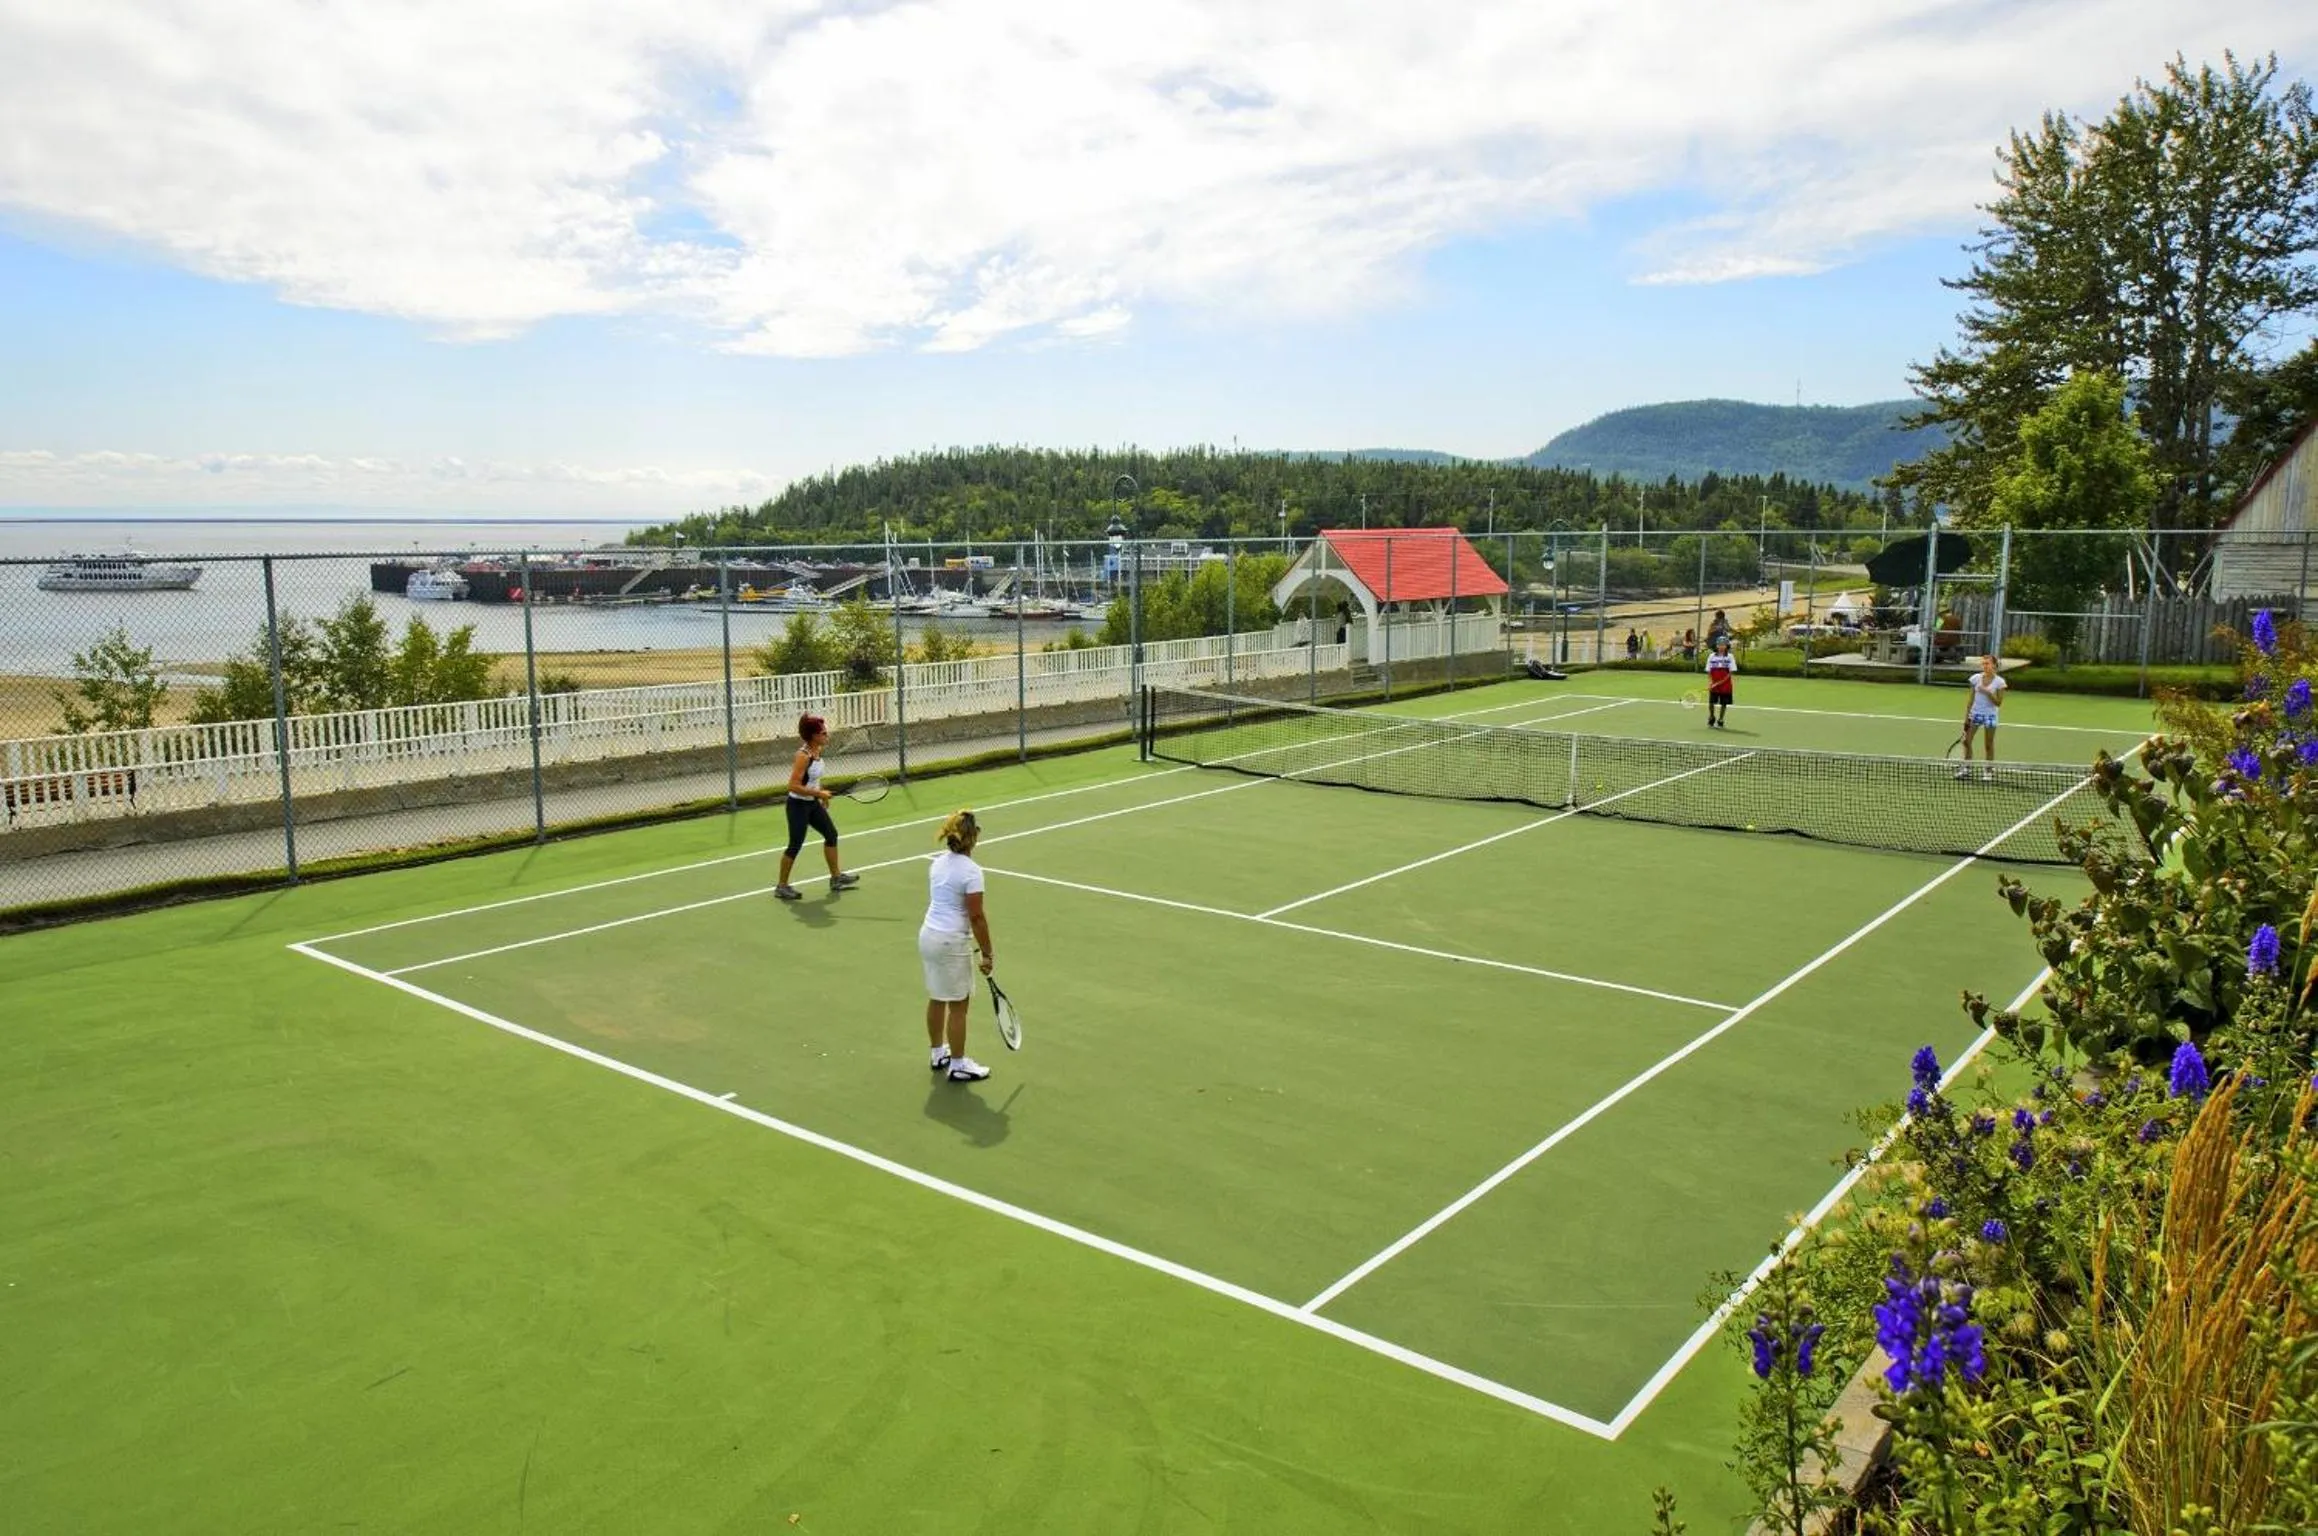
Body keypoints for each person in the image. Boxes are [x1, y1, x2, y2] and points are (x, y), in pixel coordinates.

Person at [921, 809, 996, 1081]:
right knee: (959, 1005)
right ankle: (958, 1064)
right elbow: (976, 917)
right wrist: (988, 953)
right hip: (950, 942)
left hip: (929, 936)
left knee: (938, 996)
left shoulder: (937, 863)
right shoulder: (972, 872)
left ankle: (937, 1052)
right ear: (972, 837)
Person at [774, 713, 859, 900]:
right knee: (795, 844)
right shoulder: (803, 756)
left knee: (831, 834)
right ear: (813, 736)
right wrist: (818, 794)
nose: (827, 735)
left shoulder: (817, 751)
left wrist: (820, 795)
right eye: (823, 733)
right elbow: (793, 785)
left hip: (812, 804)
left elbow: (813, 779)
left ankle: (836, 878)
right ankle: (781, 886)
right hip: (797, 806)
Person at [1958, 655, 2006, 781]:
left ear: (1994, 665)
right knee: (1966, 741)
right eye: (1983, 664)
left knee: (1988, 744)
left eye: (1988, 663)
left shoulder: (2000, 682)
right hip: (1975, 714)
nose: (1985, 666)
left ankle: (1988, 771)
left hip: (1990, 716)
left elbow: (1998, 703)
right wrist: (1966, 716)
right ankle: (1967, 768)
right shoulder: (1975, 679)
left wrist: (1988, 692)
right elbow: (1971, 699)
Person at [1704, 636, 1737, 728]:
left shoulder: (1730, 657)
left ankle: (1721, 719)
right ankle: (1711, 717)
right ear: (1717, 646)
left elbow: (1730, 672)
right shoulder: (1711, 656)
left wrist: (1720, 682)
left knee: (1724, 703)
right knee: (1711, 703)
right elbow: (1709, 670)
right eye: (1719, 644)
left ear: (1727, 646)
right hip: (1714, 684)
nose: (1721, 646)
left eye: (1723, 645)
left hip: (1726, 685)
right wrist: (1711, 682)